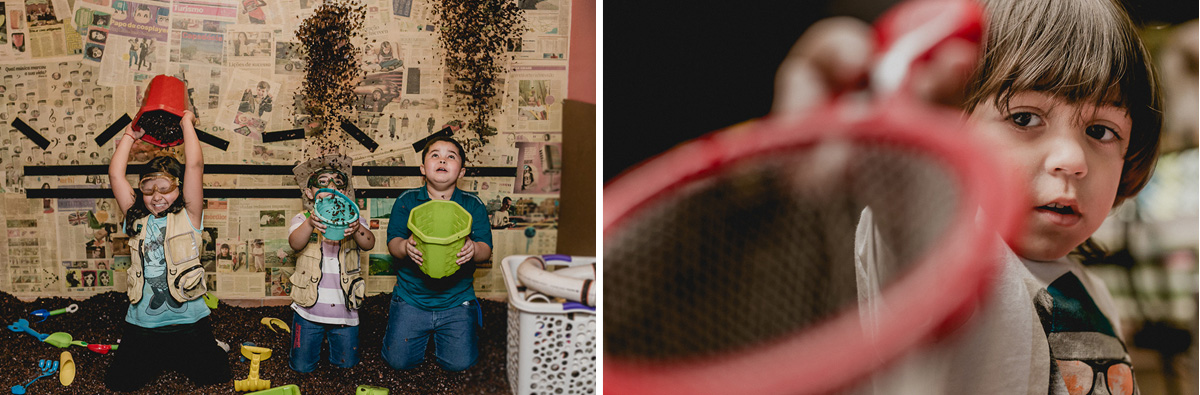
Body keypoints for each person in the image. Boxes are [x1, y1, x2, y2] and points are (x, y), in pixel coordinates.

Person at [778, 0, 1160, 393]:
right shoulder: (947, 251)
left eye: (1100, 131)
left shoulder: (1092, 293)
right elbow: (909, 222)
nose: (1072, 160)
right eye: (1024, 118)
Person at [104, 101, 230, 391]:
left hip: (189, 320)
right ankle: (163, 352)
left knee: (215, 377)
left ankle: (212, 347)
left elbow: (195, 165)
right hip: (143, 323)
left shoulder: (189, 216)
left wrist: (186, 123)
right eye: (148, 188)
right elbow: (115, 175)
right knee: (118, 383)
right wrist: (130, 136)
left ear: (179, 187)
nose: (156, 195)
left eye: (166, 187)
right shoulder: (135, 218)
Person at [383, 136, 493, 371]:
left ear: (461, 171)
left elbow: (486, 250)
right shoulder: (406, 200)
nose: (442, 159)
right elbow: (393, 243)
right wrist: (405, 247)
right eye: (435, 155)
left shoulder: (473, 204)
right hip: (412, 298)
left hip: (456, 299)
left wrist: (474, 249)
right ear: (423, 169)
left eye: (450, 156)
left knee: (460, 365)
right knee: (398, 362)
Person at [285, 154, 375, 372]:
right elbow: (295, 243)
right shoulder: (302, 219)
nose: (331, 186)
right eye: (322, 182)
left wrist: (357, 229)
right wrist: (309, 223)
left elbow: (369, 243)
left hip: (345, 310)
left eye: (337, 182)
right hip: (308, 310)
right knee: (301, 366)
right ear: (309, 192)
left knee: (347, 366)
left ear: (344, 192)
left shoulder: (354, 219)